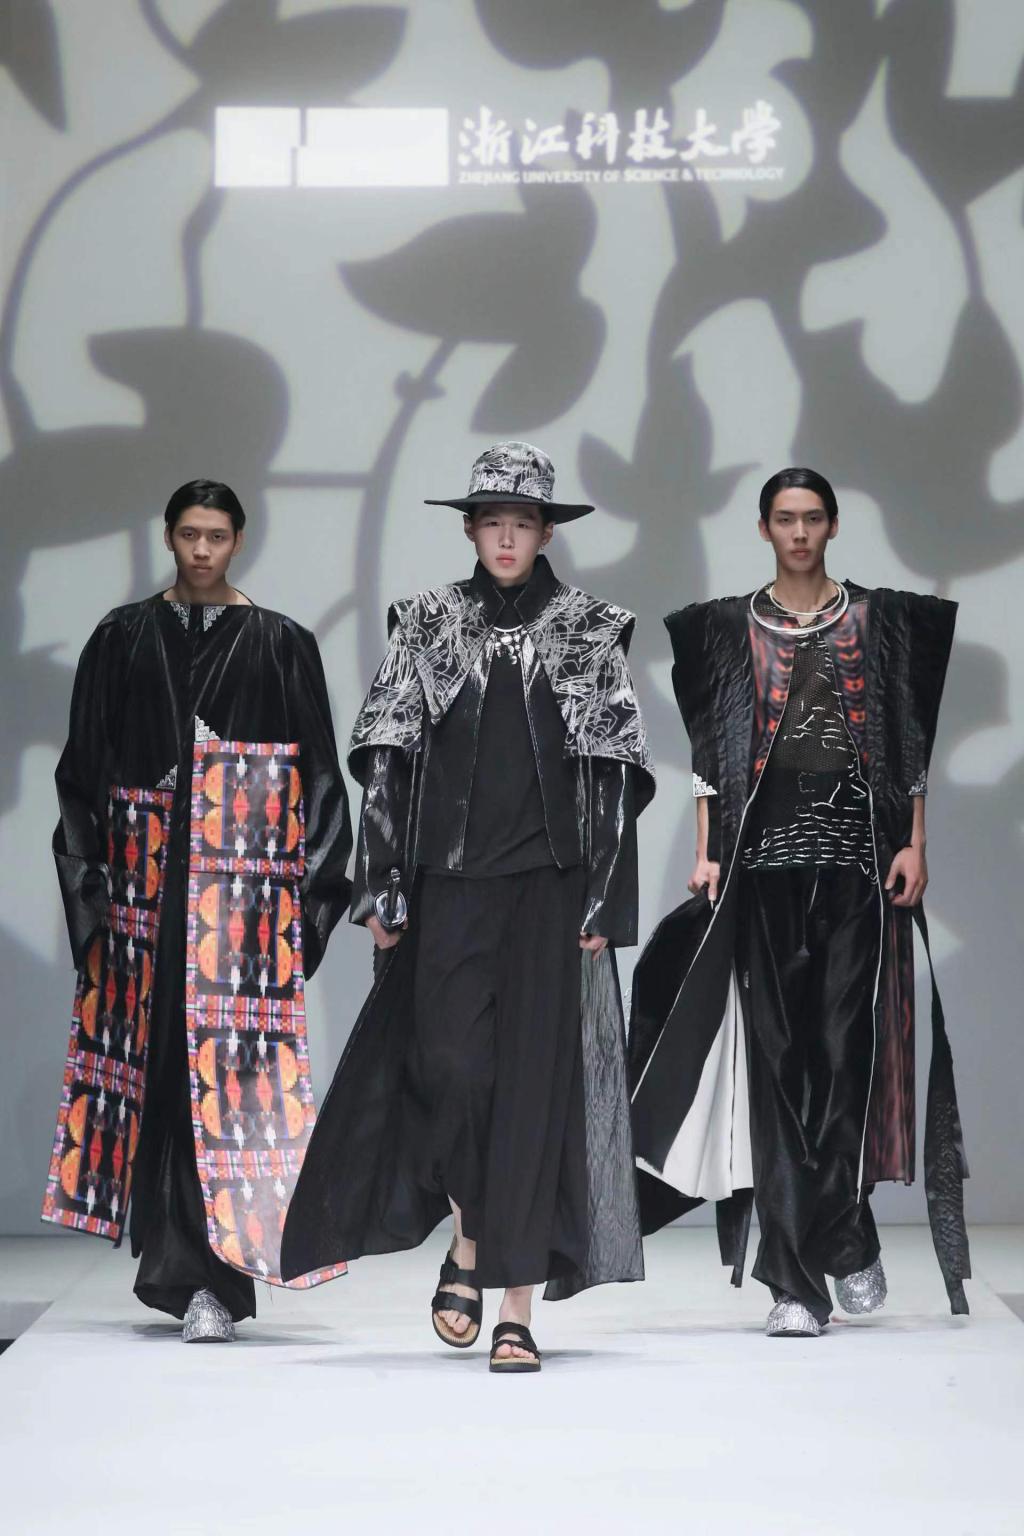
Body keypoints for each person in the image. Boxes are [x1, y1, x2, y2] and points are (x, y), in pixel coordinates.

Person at [282, 441, 654, 1372]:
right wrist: (380, 881)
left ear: (545, 533)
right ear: (472, 530)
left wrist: (607, 895)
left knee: (533, 1091)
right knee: (449, 1070)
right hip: (446, 886)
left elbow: (613, 774)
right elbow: (386, 758)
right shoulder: (426, 622)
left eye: (523, 523)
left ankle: (515, 1311)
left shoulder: (591, 629)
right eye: (492, 522)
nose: (507, 538)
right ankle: (470, 1237)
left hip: (549, 890)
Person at [628, 466, 969, 1336]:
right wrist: (706, 852)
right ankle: (793, 1279)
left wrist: (915, 841)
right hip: (763, 866)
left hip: (857, 866)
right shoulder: (726, 628)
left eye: (813, 518)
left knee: (844, 1056)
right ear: (764, 529)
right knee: (776, 1065)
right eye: (785, 518)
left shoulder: (877, 622)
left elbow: (908, 744)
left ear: (833, 525)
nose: (800, 532)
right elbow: (711, 753)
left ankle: (843, 1228)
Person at [44, 479, 353, 1340]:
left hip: (241, 907)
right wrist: (92, 898)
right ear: (169, 537)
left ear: (238, 540)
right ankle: (179, 1272)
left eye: (217, 535)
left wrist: (307, 912)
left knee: (229, 1085)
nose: (203, 550)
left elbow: (320, 780)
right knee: (159, 1077)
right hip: (144, 900)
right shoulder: (121, 638)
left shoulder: (281, 643)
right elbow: (82, 770)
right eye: (189, 534)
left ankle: (213, 1281)